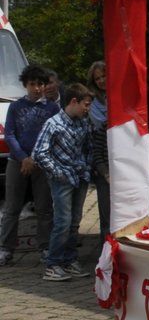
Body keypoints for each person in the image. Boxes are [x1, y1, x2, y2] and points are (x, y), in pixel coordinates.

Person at [33, 83, 93, 282]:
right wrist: (58, 172)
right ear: (73, 101)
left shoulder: (83, 122)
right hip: (62, 181)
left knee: (74, 222)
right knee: (62, 222)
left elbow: (88, 148)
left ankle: (69, 260)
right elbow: (40, 153)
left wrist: (86, 167)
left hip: (80, 178)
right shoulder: (53, 123)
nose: (88, 108)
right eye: (85, 104)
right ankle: (53, 264)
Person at [0, 65, 58, 266]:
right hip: (17, 162)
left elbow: (52, 135)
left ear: (45, 86)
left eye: (40, 84)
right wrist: (23, 157)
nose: (36, 88)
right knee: (11, 208)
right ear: (26, 85)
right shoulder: (16, 107)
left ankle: (46, 247)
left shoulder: (52, 108)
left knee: (44, 208)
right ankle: (6, 249)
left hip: (42, 163)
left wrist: (34, 157)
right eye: (32, 84)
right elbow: (9, 134)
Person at [88, 60, 110, 239]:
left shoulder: (121, 94)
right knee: (106, 209)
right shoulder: (92, 103)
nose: (102, 80)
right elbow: (103, 124)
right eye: (98, 78)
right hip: (102, 156)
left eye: (104, 76)